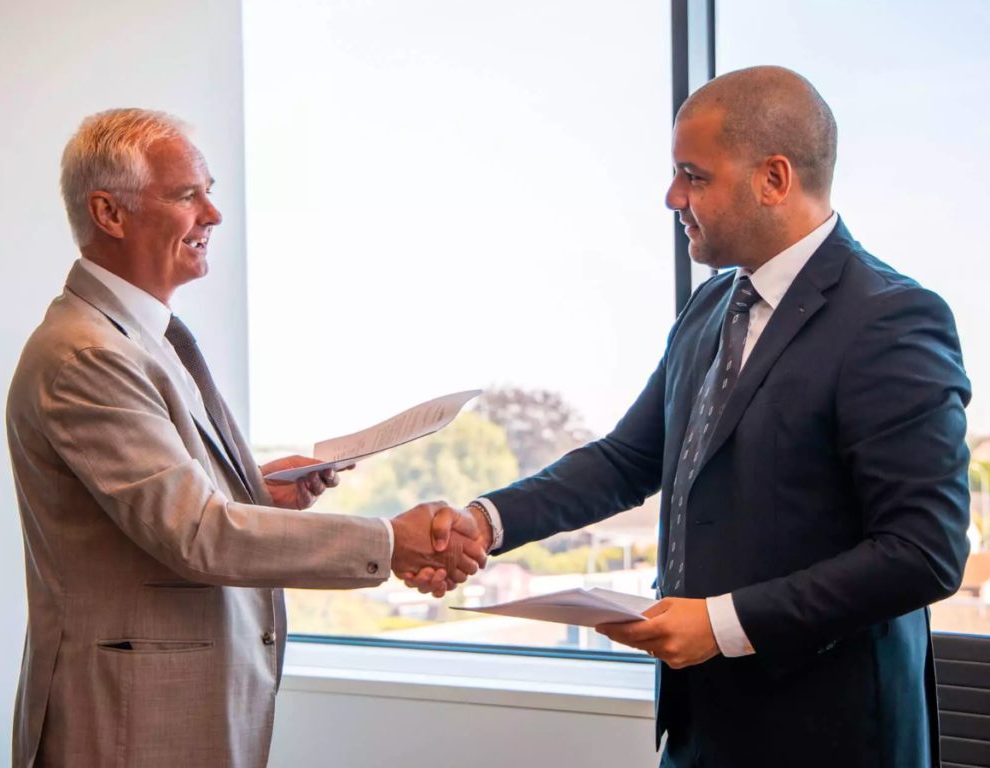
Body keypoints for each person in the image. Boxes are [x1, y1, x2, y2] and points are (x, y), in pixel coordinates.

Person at [406, 66, 971, 767]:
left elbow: (926, 551)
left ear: (774, 178)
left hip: (831, 737)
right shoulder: (710, 306)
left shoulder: (891, 318)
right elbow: (627, 459)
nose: (672, 197)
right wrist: (485, 523)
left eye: (693, 176)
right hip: (702, 725)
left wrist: (722, 623)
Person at [7, 108, 486, 768]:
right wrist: (390, 542)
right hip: (126, 726)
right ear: (109, 214)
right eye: (186, 195)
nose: (213, 214)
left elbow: (159, 507)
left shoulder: (139, 339)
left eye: (210, 192)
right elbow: (199, 535)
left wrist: (253, 491)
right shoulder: (88, 356)